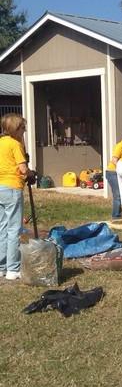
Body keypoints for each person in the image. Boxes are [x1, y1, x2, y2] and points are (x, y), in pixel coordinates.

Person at [0, 114, 35, 280]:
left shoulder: (1, 143)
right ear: (15, 129)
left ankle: (1, 267)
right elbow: (22, 169)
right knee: (14, 229)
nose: (25, 130)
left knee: (2, 229)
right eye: (23, 128)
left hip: (0, 188)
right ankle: (13, 269)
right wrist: (31, 173)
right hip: (12, 187)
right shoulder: (15, 144)